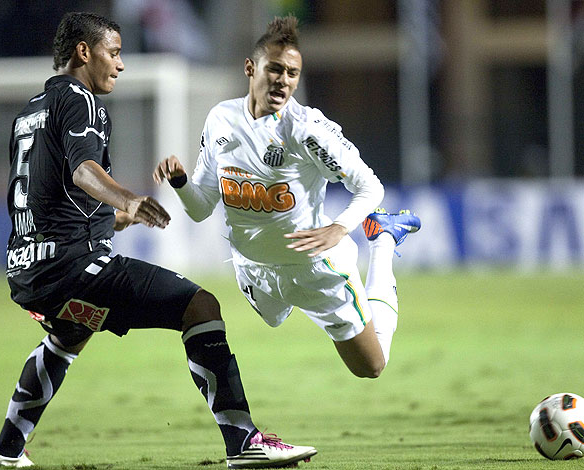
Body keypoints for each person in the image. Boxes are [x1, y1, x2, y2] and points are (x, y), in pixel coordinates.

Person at [0, 12, 316, 469]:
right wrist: (130, 199)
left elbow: (50, 198)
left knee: (70, 333)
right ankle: (243, 441)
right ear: (85, 52)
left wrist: (115, 219)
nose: (120, 65)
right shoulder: (82, 101)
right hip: (74, 268)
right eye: (114, 52)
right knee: (200, 307)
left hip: (27, 269)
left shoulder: (29, 112)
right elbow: (83, 172)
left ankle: (6, 449)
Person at [153, 15, 420, 380]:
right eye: (275, 69)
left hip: (314, 269)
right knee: (274, 320)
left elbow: (370, 187)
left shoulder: (307, 131)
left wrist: (339, 228)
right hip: (253, 268)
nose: (283, 80)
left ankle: (384, 239)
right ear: (251, 68)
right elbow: (200, 209)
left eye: (292, 73)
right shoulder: (220, 120)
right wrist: (181, 182)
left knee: (371, 367)